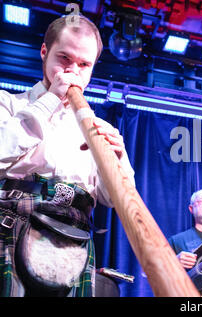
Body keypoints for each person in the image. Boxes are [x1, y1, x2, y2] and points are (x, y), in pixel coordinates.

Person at [0, 15, 134, 296]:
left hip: (75, 238)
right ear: (44, 52)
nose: (73, 71)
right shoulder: (8, 104)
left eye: (84, 65)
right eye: (64, 58)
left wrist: (117, 160)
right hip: (14, 225)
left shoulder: (101, 127)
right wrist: (51, 99)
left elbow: (116, 200)